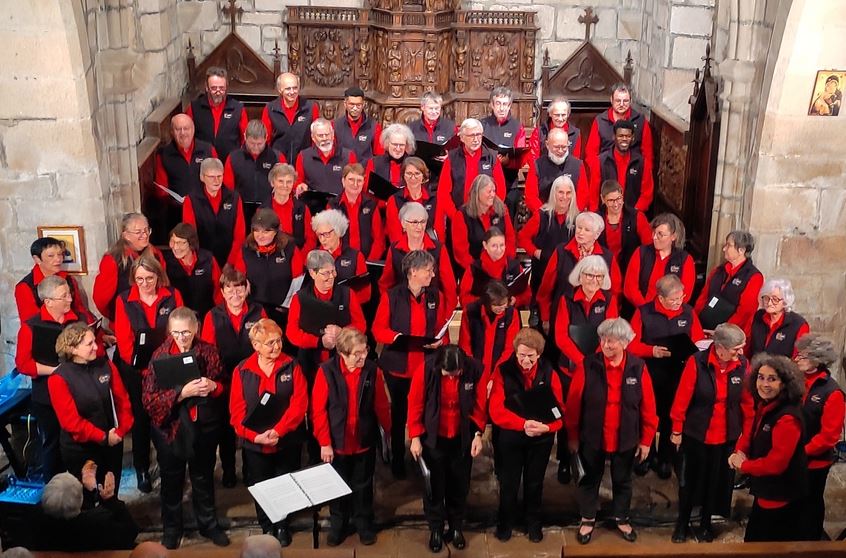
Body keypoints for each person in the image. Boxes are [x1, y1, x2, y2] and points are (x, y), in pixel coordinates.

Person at [142, 307, 230, 549]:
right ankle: (172, 529)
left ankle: (208, 524)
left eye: (186, 333)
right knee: (172, 480)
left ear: (196, 329)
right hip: (171, 429)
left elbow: (224, 384)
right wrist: (181, 393)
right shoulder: (160, 356)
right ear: (169, 332)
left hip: (203, 426)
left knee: (203, 477)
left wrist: (213, 386)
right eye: (176, 333)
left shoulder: (208, 352)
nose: (181, 338)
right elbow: (149, 400)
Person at [566, 318, 658, 545]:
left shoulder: (638, 367)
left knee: (623, 480)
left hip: (625, 437)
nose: (606, 345)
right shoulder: (587, 365)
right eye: (603, 340)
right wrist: (573, 436)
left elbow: (648, 407)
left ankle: (621, 517)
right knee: (589, 479)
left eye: (612, 341)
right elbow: (573, 405)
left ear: (625, 343)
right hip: (593, 436)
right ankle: (588, 518)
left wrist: (646, 440)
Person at [669, 323, 752, 543]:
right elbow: (682, 398)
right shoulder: (696, 362)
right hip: (697, 433)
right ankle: (682, 523)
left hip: (726, 436)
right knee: (689, 482)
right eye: (736, 349)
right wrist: (676, 429)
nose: (740, 353)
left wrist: (745, 438)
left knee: (714, 483)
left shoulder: (743, 365)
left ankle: (706, 523)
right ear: (720, 348)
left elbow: (747, 403)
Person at [373, 250, 451, 479]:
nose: (432, 274)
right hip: (399, 367)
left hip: (426, 367)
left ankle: (424, 459)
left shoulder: (436, 296)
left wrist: (441, 342)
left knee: (427, 415)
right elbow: (378, 330)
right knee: (399, 416)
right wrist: (397, 337)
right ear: (413, 272)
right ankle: (398, 459)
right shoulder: (391, 296)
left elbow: (441, 328)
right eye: (428, 270)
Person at [230, 319, 308, 546]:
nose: (277, 346)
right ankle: (267, 525)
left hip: (286, 440)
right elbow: (236, 411)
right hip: (255, 444)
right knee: (261, 485)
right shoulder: (242, 370)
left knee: (285, 482)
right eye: (270, 343)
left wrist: (279, 430)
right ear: (256, 345)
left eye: (279, 341)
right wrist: (255, 436)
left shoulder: (291, 365)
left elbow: (299, 403)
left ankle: (283, 524)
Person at [311, 327, 392, 546]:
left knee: (363, 486)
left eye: (364, 351)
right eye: (357, 354)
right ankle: (339, 524)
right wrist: (325, 443)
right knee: (337, 487)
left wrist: (387, 431)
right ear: (342, 353)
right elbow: (318, 411)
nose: (363, 357)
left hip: (363, 440)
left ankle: (363, 523)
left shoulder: (372, 370)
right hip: (337, 443)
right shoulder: (326, 371)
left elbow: (381, 404)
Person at [407, 345, 488, 553]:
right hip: (434, 439)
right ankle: (436, 528)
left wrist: (477, 434)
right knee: (434, 487)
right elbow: (415, 404)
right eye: (447, 374)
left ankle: (456, 527)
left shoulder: (475, 369)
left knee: (459, 486)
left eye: (456, 374)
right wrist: (415, 436)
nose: (451, 377)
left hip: (461, 438)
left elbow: (480, 405)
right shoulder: (426, 369)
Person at [113, 255, 184, 493]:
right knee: (141, 419)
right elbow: (124, 341)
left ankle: (169, 464)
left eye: (149, 278)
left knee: (168, 415)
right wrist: (144, 370)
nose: (144, 284)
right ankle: (142, 468)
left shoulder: (172, 295)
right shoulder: (124, 300)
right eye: (139, 279)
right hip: (136, 370)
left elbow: (178, 328)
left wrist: (164, 364)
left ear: (158, 276)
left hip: (166, 365)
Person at [489, 328, 564, 543]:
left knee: (534, 483)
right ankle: (505, 524)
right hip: (512, 437)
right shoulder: (503, 371)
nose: (525, 361)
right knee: (509, 483)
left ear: (539, 354)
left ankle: (533, 523)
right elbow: (496, 410)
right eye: (521, 355)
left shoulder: (549, 372)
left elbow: (560, 411)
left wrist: (547, 428)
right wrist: (522, 424)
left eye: (530, 356)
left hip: (541, 438)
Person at [629, 274, 705, 478]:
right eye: (674, 299)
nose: (679, 302)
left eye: (681, 297)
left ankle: (664, 458)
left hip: (678, 374)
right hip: (650, 372)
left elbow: (698, 341)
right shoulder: (643, 312)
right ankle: (645, 455)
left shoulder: (688, 313)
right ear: (660, 298)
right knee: (647, 413)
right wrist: (651, 350)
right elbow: (630, 344)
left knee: (669, 416)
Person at [200, 265, 267, 487]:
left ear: (246, 289)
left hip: (252, 378)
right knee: (226, 428)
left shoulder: (258, 311)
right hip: (225, 379)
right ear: (222, 291)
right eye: (229, 289)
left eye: (239, 288)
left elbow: (265, 343)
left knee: (252, 423)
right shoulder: (213, 316)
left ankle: (250, 470)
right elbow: (208, 352)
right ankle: (229, 469)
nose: (235, 294)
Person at [729, 354, 807, 542]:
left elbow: (776, 464)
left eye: (772, 379)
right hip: (766, 490)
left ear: (784, 384)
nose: (764, 384)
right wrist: (740, 450)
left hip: (779, 494)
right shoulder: (767, 404)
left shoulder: (787, 418)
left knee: (765, 545)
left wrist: (744, 465)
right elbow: (752, 432)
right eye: (761, 377)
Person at [15, 276, 87, 480]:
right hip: (47, 396)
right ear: (48, 302)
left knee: (79, 442)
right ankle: (54, 490)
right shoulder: (31, 327)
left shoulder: (77, 319)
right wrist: (56, 370)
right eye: (64, 296)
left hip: (78, 391)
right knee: (52, 444)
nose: (70, 299)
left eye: (69, 294)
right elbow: (23, 364)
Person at [49, 323, 133, 491]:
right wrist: (103, 437)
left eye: (95, 341)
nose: (96, 347)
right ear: (73, 349)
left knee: (111, 491)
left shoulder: (105, 365)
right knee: (88, 496)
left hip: (112, 442)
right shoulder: (59, 379)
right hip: (82, 450)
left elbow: (123, 400)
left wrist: (121, 431)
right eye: (89, 344)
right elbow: (71, 423)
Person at [286, 250, 366, 386]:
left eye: (333, 271)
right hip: (309, 359)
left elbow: (361, 324)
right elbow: (292, 333)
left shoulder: (347, 294)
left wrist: (343, 333)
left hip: (341, 358)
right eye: (325, 273)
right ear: (312, 273)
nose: (331, 277)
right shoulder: (299, 298)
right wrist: (318, 341)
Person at [794, 334, 845, 540]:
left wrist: (800, 452)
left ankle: (811, 542)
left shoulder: (832, 392)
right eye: (798, 354)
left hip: (814, 462)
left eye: (803, 356)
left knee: (810, 503)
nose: (797, 358)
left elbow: (829, 436)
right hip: (793, 457)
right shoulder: (797, 382)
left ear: (818, 359)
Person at [536, 211, 622, 327]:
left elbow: (615, 292)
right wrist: (545, 316)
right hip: (562, 318)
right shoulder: (561, 251)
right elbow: (546, 287)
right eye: (579, 228)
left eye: (587, 230)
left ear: (597, 234)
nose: (580, 232)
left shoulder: (607, 257)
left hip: (597, 320)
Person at [35, 466, 138, 551]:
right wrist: (111, 500)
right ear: (81, 500)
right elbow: (131, 531)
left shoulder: (35, 526)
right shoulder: (100, 523)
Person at [228, 209, 302, 327]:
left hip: (283, 309)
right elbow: (239, 279)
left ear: (276, 231)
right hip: (255, 310)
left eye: (266, 231)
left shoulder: (290, 248)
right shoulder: (246, 249)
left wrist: (288, 306)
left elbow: (298, 281)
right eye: (256, 230)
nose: (260, 236)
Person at [379, 202, 457, 311]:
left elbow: (449, 286)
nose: (419, 227)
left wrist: (446, 315)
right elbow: (386, 284)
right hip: (402, 309)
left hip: (433, 309)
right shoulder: (394, 249)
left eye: (423, 222)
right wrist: (390, 308)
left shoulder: (438, 249)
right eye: (414, 222)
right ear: (403, 224)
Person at [92, 213, 166, 321]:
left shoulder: (156, 254)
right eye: (138, 232)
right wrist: (116, 317)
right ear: (126, 235)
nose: (145, 235)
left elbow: (163, 284)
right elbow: (101, 300)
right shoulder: (113, 260)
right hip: (126, 319)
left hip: (155, 317)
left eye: (146, 230)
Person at [552, 255, 619, 370]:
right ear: (580, 276)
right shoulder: (566, 299)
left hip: (598, 365)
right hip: (570, 366)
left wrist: (594, 360)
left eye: (599, 276)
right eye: (590, 275)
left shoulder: (609, 300)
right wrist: (581, 361)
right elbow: (561, 336)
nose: (594, 280)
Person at [517, 176, 578, 296]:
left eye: (568, 193)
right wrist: (535, 252)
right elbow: (522, 237)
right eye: (561, 192)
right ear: (553, 193)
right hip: (542, 271)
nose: (564, 197)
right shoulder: (540, 216)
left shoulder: (578, 218)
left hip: (566, 275)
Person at [436, 118, 505, 221]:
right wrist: (456, 216)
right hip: (458, 216)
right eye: (472, 135)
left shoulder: (492, 157)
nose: (476, 139)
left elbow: (501, 190)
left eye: (478, 135)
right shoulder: (452, 158)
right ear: (462, 138)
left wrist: (489, 213)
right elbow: (443, 193)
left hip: (486, 217)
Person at [694, 230, 764, 332]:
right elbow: (703, 298)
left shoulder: (754, 277)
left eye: (728, 245)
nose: (724, 249)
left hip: (731, 333)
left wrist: (724, 331)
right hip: (705, 327)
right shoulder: (717, 271)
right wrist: (696, 322)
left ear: (741, 250)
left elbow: (745, 311)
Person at [182, 157, 246, 267]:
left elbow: (240, 235)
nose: (216, 181)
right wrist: (202, 262)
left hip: (230, 260)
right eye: (211, 177)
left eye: (219, 176)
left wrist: (230, 263)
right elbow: (190, 236)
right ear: (202, 177)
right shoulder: (191, 200)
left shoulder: (234, 198)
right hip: (203, 262)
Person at [623, 213, 695, 311]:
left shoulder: (685, 259)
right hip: (642, 311)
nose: (654, 237)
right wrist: (646, 309)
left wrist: (665, 310)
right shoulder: (641, 252)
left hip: (671, 314)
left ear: (673, 236)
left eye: (660, 234)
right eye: (654, 233)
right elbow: (630, 287)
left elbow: (685, 293)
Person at [222, 120, 287, 226]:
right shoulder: (233, 158)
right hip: (242, 210)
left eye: (259, 144)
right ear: (245, 137)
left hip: (269, 210)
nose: (256, 147)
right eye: (252, 143)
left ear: (266, 138)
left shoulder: (277, 157)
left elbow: (284, 184)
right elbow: (228, 190)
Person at [15, 236, 90, 322]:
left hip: (74, 325)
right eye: (51, 256)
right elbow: (31, 322)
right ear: (37, 259)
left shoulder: (68, 279)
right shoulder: (25, 287)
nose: (58, 259)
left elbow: (79, 309)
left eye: (60, 254)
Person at [450, 174, 516, 271]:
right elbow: (461, 252)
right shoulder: (462, 215)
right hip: (475, 270)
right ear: (477, 193)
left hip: (502, 267)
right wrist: (478, 270)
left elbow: (510, 238)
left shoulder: (502, 209)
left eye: (494, 191)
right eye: (489, 191)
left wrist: (506, 263)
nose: (493, 195)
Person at [585, 83, 654, 172]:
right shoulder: (600, 121)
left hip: (633, 170)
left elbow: (647, 154)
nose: (621, 104)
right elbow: (591, 153)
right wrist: (596, 171)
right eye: (618, 101)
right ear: (611, 100)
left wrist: (645, 172)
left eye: (625, 101)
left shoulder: (640, 121)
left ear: (630, 101)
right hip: (606, 170)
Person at [458, 281, 521, 378]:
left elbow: (510, 348)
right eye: (496, 305)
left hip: (501, 371)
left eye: (504, 304)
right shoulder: (471, 312)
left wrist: (497, 374)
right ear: (487, 302)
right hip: (475, 369)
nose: (501, 308)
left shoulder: (512, 314)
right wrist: (473, 368)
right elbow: (465, 344)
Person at [589, 119, 654, 212]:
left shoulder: (642, 162)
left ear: (633, 138)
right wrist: (595, 214)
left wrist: (634, 213)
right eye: (620, 136)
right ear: (614, 137)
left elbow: (647, 194)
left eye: (628, 136)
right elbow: (593, 194)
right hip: (605, 214)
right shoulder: (600, 161)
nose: (624, 139)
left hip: (633, 213)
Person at [480, 87, 527, 211]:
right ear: (492, 105)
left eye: (505, 104)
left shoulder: (517, 127)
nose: (501, 108)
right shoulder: (482, 125)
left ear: (510, 105)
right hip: (485, 180)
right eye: (498, 103)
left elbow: (521, 156)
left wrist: (508, 162)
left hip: (509, 181)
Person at [458, 227, 529, 308]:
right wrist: (485, 302)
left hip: (509, 314)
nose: (499, 250)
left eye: (502, 245)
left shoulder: (514, 266)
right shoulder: (473, 269)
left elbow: (527, 294)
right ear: (485, 245)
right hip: (481, 314)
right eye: (494, 246)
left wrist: (516, 300)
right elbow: (463, 298)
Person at [187, 66, 248, 161]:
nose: (218, 92)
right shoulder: (194, 107)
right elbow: (188, 136)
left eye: (222, 88)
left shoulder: (238, 108)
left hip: (230, 161)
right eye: (214, 88)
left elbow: (245, 138)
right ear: (207, 87)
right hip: (203, 161)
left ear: (226, 87)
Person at [524, 127, 591, 212]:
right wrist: (544, 213)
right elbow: (530, 196)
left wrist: (572, 212)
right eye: (556, 147)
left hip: (571, 214)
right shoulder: (537, 165)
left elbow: (583, 195)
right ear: (547, 145)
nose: (560, 151)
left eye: (564, 147)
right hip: (543, 213)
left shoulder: (577, 165)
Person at [311, 209, 371, 303]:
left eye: (326, 234)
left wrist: (344, 303)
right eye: (319, 235)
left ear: (338, 231)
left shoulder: (356, 256)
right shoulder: (314, 256)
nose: (322, 239)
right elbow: (308, 292)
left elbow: (365, 293)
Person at [162, 223, 221, 319]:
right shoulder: (166, 262)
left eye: (181, 243)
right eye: (173, 242)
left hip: (207, 315)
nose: (176, 247)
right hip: (178, 317)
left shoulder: (208, 260)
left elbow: (218, 290)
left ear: (191, 243)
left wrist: (219, 315)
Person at [328, 163, 385, 261]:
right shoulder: (333, 206)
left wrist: (368, 262)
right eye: (351, 179)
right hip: (339, 262)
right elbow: (329, 238)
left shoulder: (371, 205)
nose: (355, 184)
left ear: (363, 182)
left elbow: (379, 240)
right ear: (343, 181)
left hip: (367, 262)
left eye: (359, 180)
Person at [154, 114, 217, 199]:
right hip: (177, 206)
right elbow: (162, 192)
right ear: (172, 132)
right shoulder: (163, 155)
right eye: (178, 129)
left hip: (205, 204)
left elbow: (217, 180)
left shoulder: (208, 150)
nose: (182, 133)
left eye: (186, 128)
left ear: (193, 130)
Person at [261, 72, 320, 162]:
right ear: (280, 90)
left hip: (304, 161)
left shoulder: (311, 108)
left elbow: (316, 137)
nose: (292, 92)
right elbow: (265, 139)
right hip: (278, 162)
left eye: (295, 88)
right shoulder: (270, 109)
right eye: (288, 89)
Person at [597, 180, 652, 275]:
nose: (615, 204)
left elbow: (649, 246)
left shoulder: (637, 217)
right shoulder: (596, 218)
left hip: (631, 270)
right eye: (611, 200)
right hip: (602, 270)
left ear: (622, 195)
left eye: (618, 198)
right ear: (603, 199)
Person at [748, 278, 809, 358]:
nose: (769, 303)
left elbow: (799, 358)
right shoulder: (758, 316)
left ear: (785, 301)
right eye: (766, 298)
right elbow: (747, 347)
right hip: (755, 365)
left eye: (775, 299)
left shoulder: (799, 325)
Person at [385, 157, 441, 243]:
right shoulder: (394, 200)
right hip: (403, 248)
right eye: (409, 173)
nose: (413, 178)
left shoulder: (434, 199)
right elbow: (395, 235)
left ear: (423, 176)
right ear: (403, 176)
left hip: (430, 247)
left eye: (417, 173)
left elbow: (439, 231)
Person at [294, 118, 356, 196]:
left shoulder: (349, 156)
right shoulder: (303, 156)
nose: (324, 138)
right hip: (314, 202)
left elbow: (355, 182)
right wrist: (300, 186)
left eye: (327, 134)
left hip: (340, 202)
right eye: (320, 136)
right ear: (313, 137)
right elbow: (298, 182)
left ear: (333, 135)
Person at [262, 162, 317, 251]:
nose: (285, 186)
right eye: (280, 181)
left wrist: (299, 257)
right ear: (272, 183)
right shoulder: (263, 210)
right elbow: (260, 239)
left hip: (298, 255)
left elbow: (311, 239)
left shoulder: (302, 209)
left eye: (289, 182)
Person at [407, 92, 457, 185]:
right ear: (422, 107)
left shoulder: (450, 127)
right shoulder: (411, 128)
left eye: (437, 108)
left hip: (443, 173)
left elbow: (457, 150)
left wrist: (449, 156)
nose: (434, 112)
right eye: (431, 108)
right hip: (419, 173)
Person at [333, 86, 382, 163]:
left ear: (363, 104)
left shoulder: (374, 127)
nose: (355, 108)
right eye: (352, 104)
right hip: (343, 169)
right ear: (345, 104)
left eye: (358, 105)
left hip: (365, 170)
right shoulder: (335, 126)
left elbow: (380, 156)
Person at [528, 96, 582, 161]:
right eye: (557, 115)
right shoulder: (539, 132)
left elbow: (575, 160)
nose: (560, 119)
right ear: (550, 114)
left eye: (563, 115)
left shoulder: (575, 134)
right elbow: (533, 159)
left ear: (568, 114)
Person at [364, 123, 415, 189]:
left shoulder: (414, 165)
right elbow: (367, 189)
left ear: (407, 145)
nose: (398, 149)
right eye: (395, 144)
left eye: (401, 145)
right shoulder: (374, 163)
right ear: (387, 144)